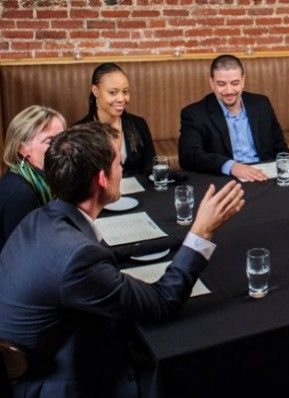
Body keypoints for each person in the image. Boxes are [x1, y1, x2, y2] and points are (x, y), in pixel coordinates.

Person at [0, 122, 245, 397]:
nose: (123, 169)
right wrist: (202, 232)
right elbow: (162, 302)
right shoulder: (76, 258)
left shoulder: (42, 218)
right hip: (60, 382)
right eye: (118, 163)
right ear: (102, 179)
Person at [178, 54, 289, 181]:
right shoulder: (194, 113)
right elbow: (188, 156)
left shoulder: (261, 103)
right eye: (221, 84)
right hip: (226, 179)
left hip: (265, 176)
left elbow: (280, 146)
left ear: (243, 81)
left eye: (235, 83)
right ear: (212, 83)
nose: (229, 90)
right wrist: (232, 166)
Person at [0, 105, 65, 251]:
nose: (62, 146)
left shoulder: (44, 178)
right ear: (22, 149)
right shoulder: (19, 195)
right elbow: (23, 256)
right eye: (50, 141)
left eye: (63, 138)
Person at [76, 62, 156, 176]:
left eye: (125, 92)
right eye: (113, 92)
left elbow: (151, 168)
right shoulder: (80, 132)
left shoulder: (138, 125)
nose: (121, 99)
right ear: (95, 91)